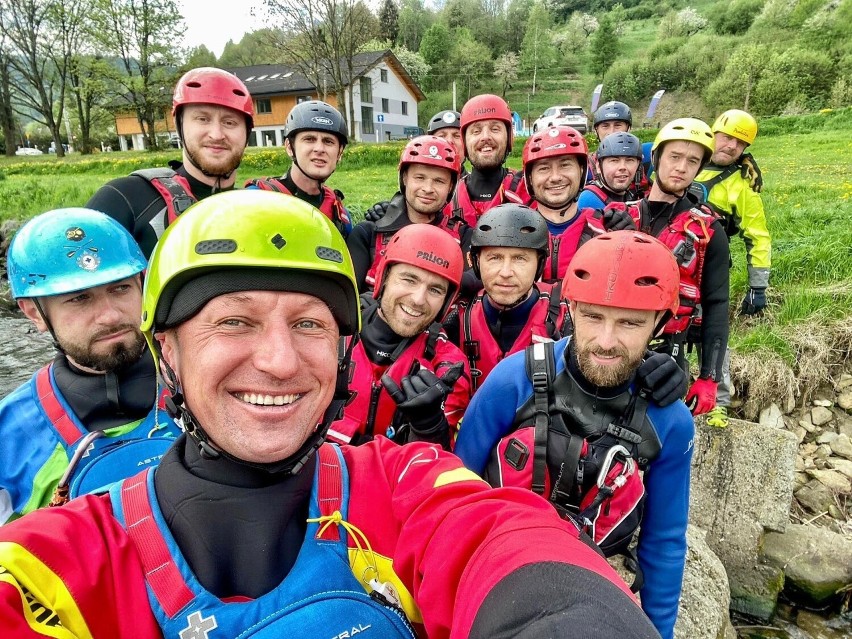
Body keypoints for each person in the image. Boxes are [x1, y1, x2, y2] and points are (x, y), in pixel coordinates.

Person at [0, 190, 663, 639]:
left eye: (310, 323)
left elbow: (502, 538)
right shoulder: (53, 565)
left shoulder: (403, 486)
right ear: (165, 350)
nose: (282, 360)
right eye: (234, 320)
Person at [455, 230, 695, 639]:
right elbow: (457, 493)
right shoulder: (514, 380)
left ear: (660, 323)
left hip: (592, 579)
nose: (606, 340)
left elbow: (663, 543)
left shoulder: (670, 422)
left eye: (630, 323)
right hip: (495, 568)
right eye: (593, 316)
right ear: (570, 309)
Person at [0, 208, 180, 524]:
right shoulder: (9, 438)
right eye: (80, 298)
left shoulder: (203, 379)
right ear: (34, 313)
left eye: (120, 288)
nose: (110, 315)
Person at [585, 118, 730, 417]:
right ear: (656, 159)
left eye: (692, 161)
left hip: (667, 357)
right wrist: (617, 237)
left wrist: (709, 377)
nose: (681, 167)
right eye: (675, 157)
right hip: (609, 346)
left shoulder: (709, 232)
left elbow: (717, 304)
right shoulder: (618, 217)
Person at [86, 67, 254, 258]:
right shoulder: (125, 199)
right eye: (202, 119)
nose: (216, 134)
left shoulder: (257, 210)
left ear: (246, 133)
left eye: (230, 122)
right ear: (180, 125)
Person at [330, 224, 470, 449]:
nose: (418, 299)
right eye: (409, 279)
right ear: (384, 278)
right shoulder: (331, 332)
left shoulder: (449, 368)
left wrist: (430, 426)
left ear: (446, 303)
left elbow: (436, 466)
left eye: (435, 290)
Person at [693, 109, 772, 427]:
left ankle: (718, 401)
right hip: (668, 259)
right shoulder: (689, 156)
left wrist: (758, 284)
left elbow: (759, 235)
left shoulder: (742, 186)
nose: (729, 146)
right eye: (726, 137)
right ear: (714, 133)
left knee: (714, 330)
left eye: (739, 144)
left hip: (710, 265)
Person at [447, 204, 568, 392]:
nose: (505, 272)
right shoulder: (457, 318)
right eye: (494, 257)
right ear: (476, 262)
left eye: (520, 258)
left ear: (539, 264)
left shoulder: (565, 317)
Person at [346, 135, 464, 291]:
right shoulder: (368, 234)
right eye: (419, 177)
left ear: (450, 187)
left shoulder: (462, 236)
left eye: (439, 181)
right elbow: (349, 296)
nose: (428, 188)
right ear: (405, 178)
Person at [245, 100, 352, 237]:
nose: (319, 149)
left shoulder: (340, 216)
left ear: (340, 152)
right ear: (290, 147)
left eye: (328, 141)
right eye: (309, 139)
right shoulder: (256, 199)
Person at [446, 93, 528, 228]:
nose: (485, 137)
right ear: (464, 141)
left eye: (495, 129)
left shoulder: (528, 191)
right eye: (476, 131)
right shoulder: (447, 196)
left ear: (509, 138)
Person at [521, 126, 591, 283]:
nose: (555, 177)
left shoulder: (602, 227)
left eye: (565, 165)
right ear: (530, 178)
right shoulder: (512, 229)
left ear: (581, 170)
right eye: (544, 168)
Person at [587, 101, 652, 194]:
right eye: (605, 126)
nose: (612, 131)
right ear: (596, 131)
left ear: (628, 128)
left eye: (618, 125)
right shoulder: (586, 167)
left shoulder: (645, 155)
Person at [578, 132, 645, 210]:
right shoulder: (588, 199)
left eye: (629, 160)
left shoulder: (633, 194)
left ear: (638, 166)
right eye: (614, 160)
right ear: (599, 167)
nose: (622, 167)